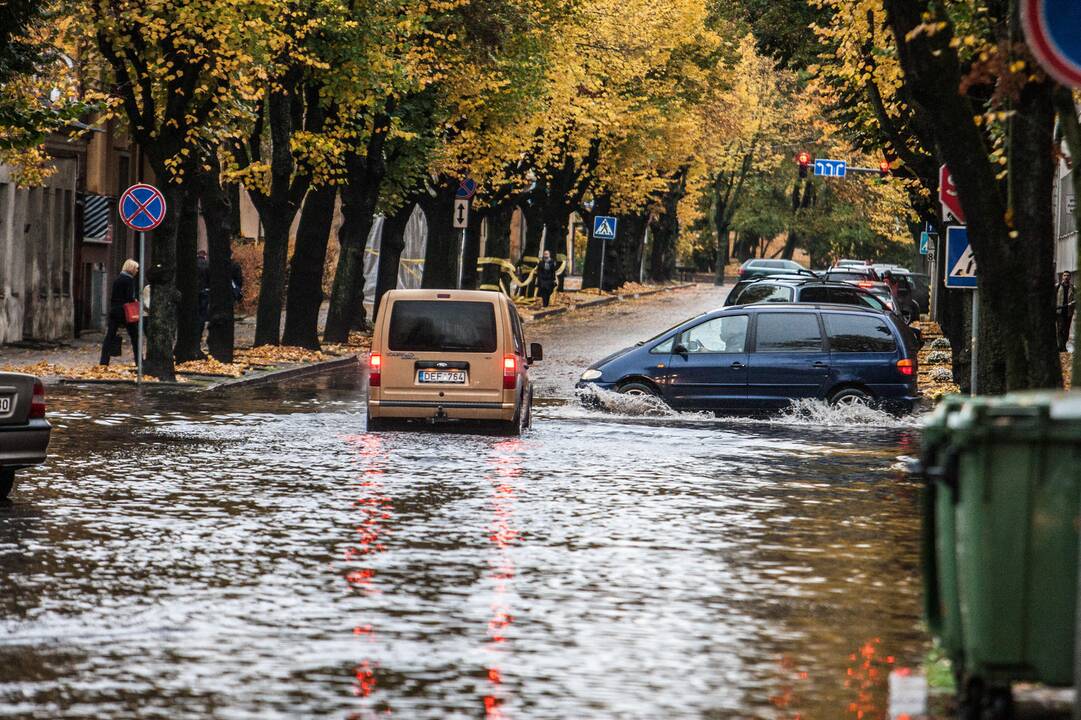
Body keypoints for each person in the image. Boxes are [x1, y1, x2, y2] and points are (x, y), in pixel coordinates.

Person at [99, 259, 140, 366]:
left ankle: (104, 361)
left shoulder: (118, 279)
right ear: (131, 269)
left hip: (115, 311)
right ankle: (138, 361)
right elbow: (129, 297)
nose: (137, 271)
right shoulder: (129, 280)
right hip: (126, 312)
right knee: (135, 336)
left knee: (110, 336)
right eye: (136, 268)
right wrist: (135, 301)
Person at [1056, 271, 1074, 352]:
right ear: (1062, 277)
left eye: (1068, 275)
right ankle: (1061, 347)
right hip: (1059, 312)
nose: (1066, 277)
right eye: (1064, 275)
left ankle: (1063, 345)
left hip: (1068, 312)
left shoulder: (1073, 287)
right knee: (1060, 329)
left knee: (1066, 330)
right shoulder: (1057, 286)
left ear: (1070, 277)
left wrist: (1072, 303)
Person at [196, 250, 210, 339]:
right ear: (205, 256)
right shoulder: (207, 265)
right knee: (202, 313)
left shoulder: (193, 264)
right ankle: (199, 333)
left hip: (194, 292)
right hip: (204, 291)